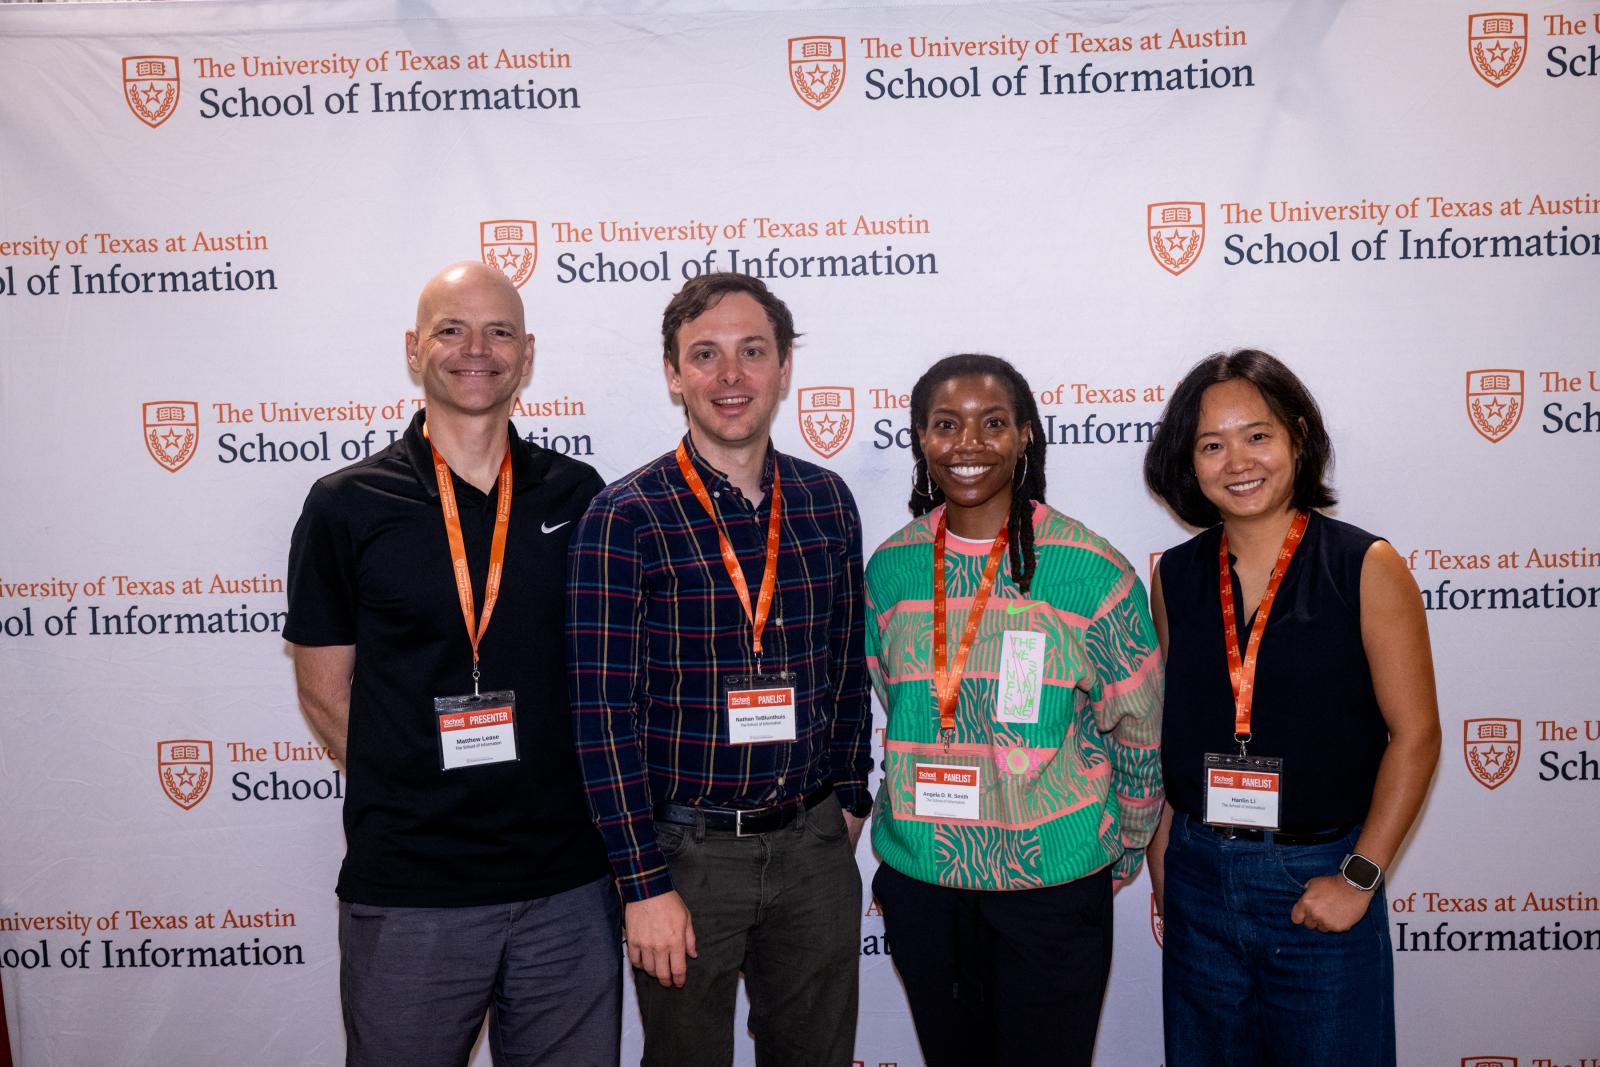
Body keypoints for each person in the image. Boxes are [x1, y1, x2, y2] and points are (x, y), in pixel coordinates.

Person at [285, 262, 621, 1067]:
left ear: (528, 355)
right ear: (414, 348)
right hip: (412, 890)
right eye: (451, 329)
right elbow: (327, 695)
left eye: (500, 330)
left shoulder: (579, 495)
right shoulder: (346, 504)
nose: (478, 349)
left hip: (567, 886)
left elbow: (609, 680)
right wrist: (422, 794)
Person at [567, 272, 871, 1067]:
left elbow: (847, 667)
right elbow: (601, 715)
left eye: (752, 352)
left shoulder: (828, 501)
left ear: (783, 368)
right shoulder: (625, 516)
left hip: (813, 847)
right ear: (674, 374)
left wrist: (850, 791)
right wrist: (642, 882)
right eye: (705, 355)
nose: (730, 376)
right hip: (686, 858)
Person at [1142, 349, 1441, 1067]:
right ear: (1190, 462)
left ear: (1298, 438)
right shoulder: (1174, 575)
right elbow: (1170, 728)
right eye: (1211, 444)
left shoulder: (1365, 565)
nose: (1237, 460)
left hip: (1317, 877)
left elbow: (1417, 734)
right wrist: (1162, 857)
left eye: (1258, 435)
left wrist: (1360, 877)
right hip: (1199, 873)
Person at [864, 353, 1163, 1067]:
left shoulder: (1090, 568)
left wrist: (1113, 848)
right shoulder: (891, 567)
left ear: (1026, 434)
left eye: (992, 422)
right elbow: (893, 697)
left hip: (1051, 887)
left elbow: (1142, 732)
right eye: (946, 424)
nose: (968, 442)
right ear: (920, 439)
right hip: (925, 886)